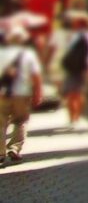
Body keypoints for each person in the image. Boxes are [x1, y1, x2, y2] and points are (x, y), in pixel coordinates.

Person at [0, 26, 43, 165]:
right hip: (22, 93)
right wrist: (38, 93)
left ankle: (0, 153)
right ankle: (14, 148)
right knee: (21, 120)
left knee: (1, 123)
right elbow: (36, 76)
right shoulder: (29, 55)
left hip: (3, 93)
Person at [60, 15, 88, 126]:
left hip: (72, 67)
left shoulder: (75, 35)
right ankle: (76, 116)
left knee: (71, 93)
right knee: (78, 93)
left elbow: (67, 50)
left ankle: (73, 117)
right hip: (83, 67)